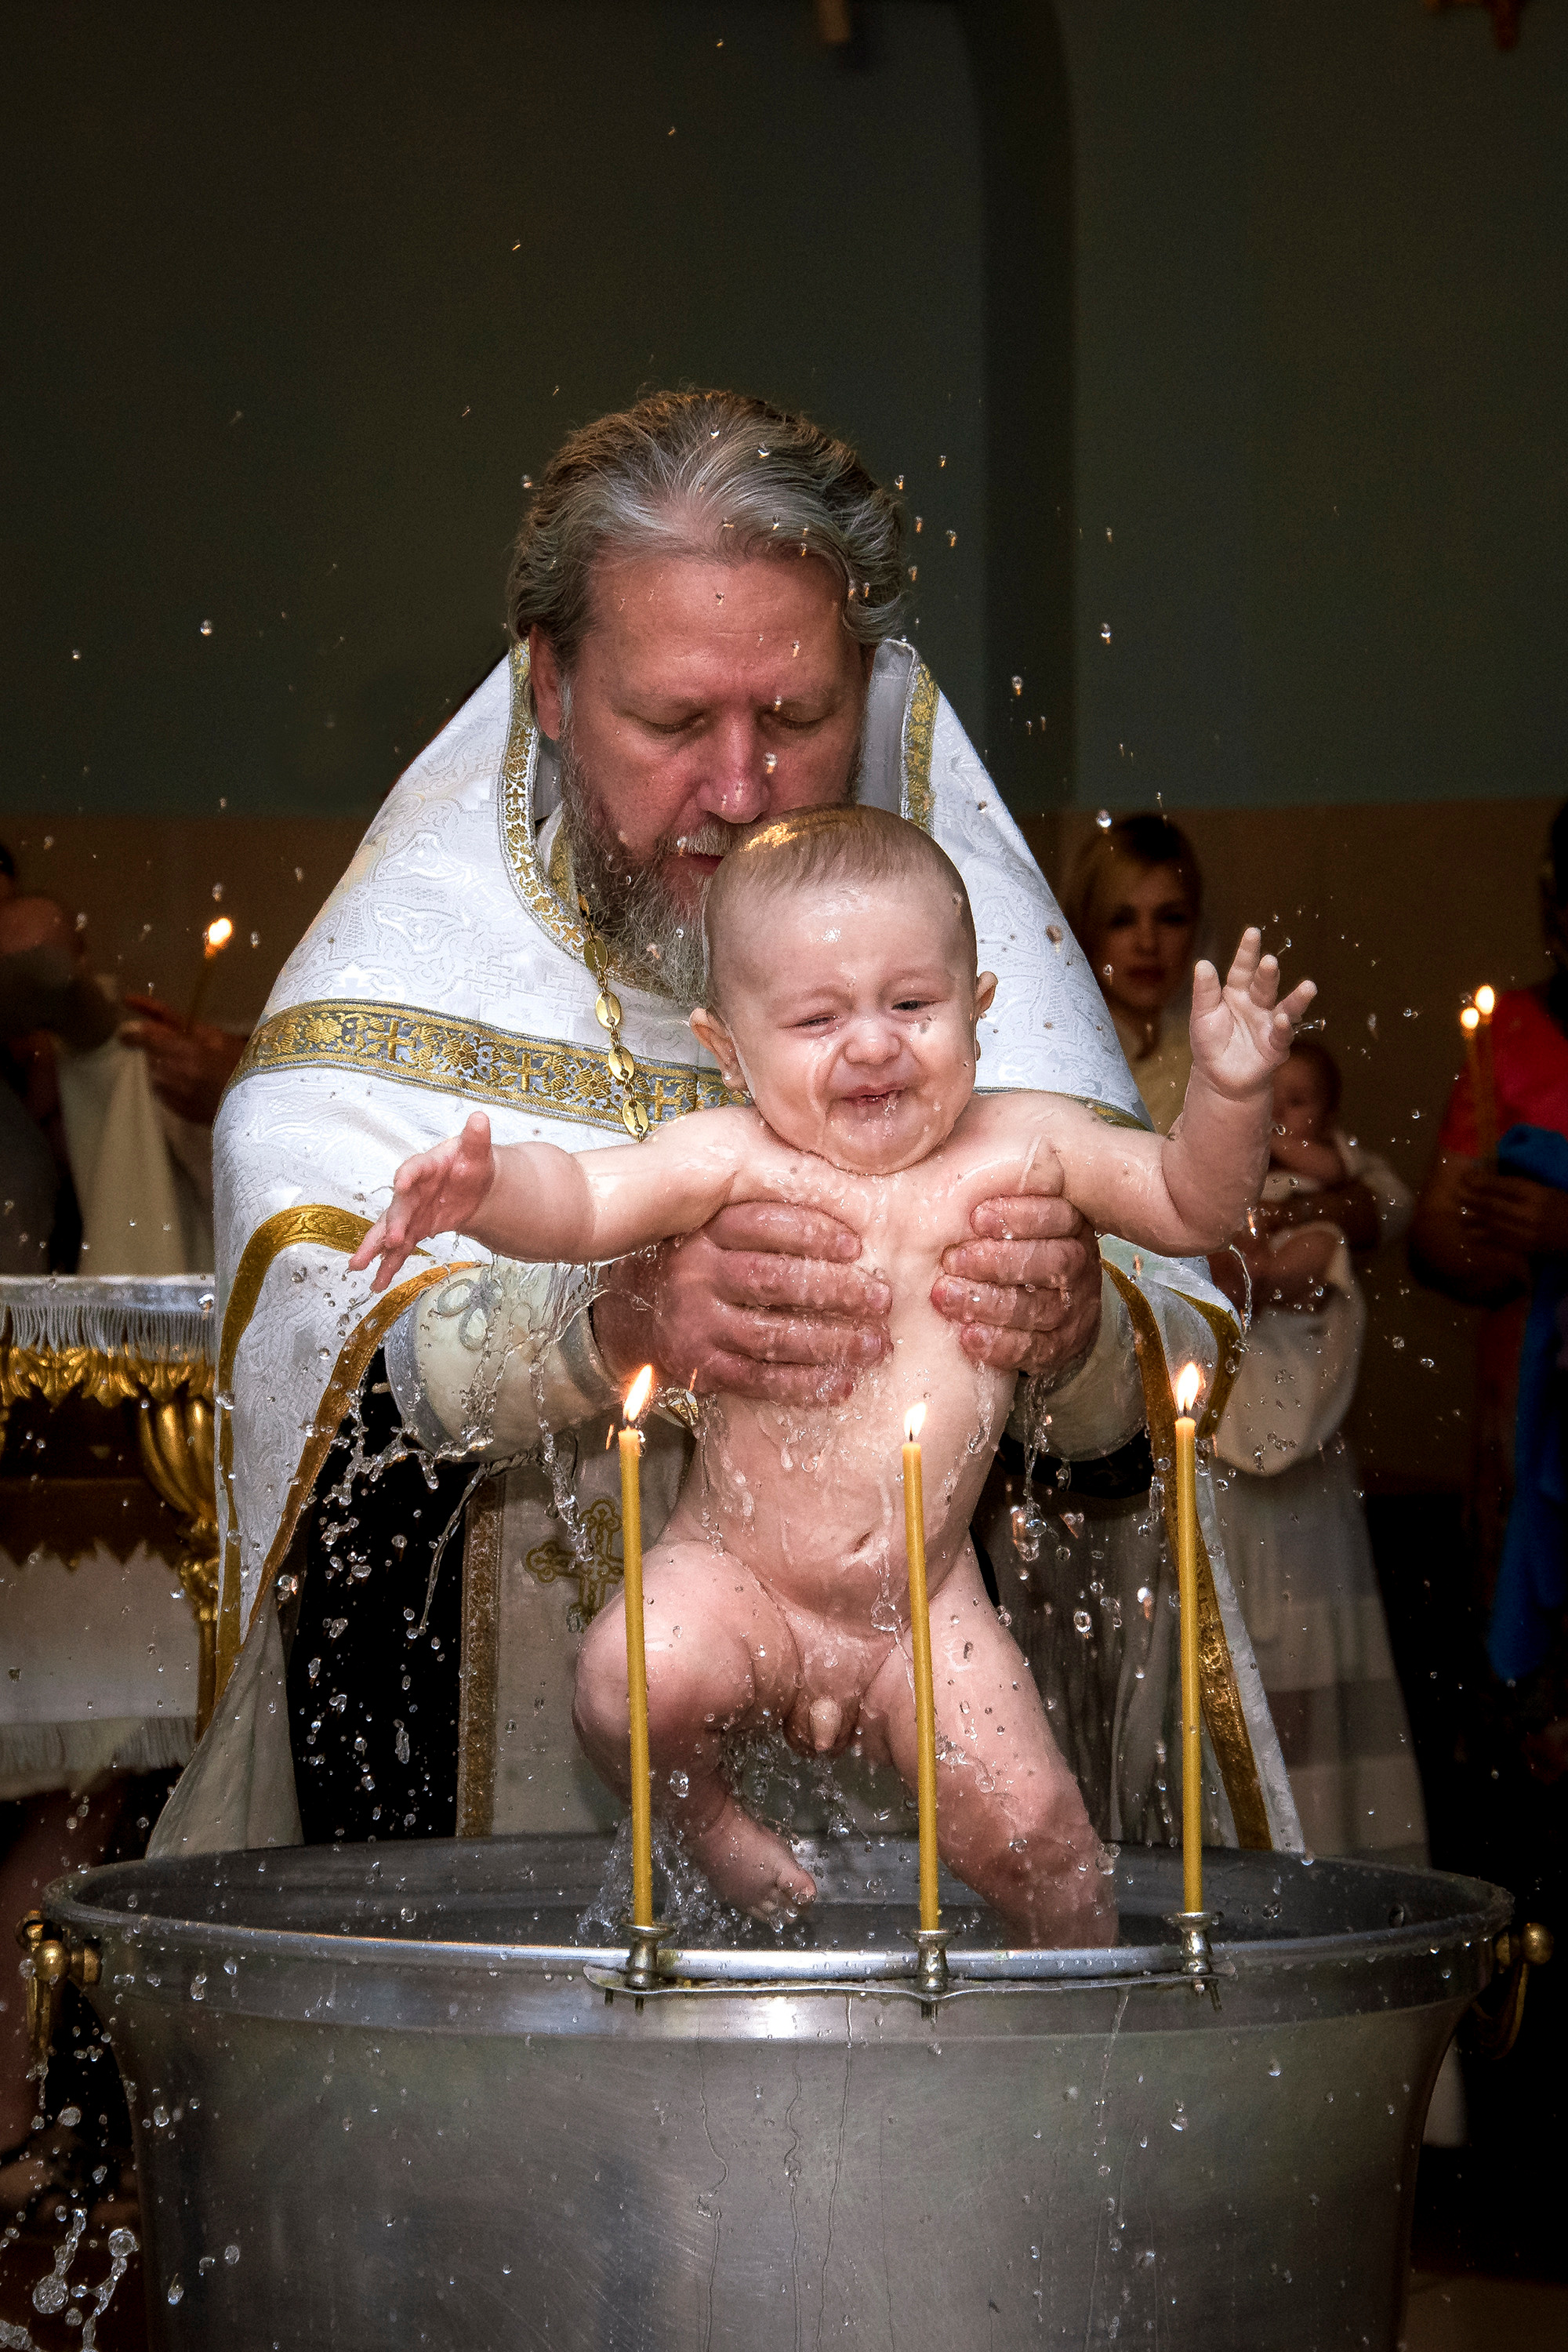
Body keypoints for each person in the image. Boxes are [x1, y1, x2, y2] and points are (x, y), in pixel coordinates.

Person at [152, 390, 1300, 1866]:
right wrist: (601, 1327)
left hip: (907, 1797)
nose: (744, 789)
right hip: (466, 1818)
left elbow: (1160, 1378)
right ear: (552, 686)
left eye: (802, 718)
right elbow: (318, 1361)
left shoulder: (940, 961)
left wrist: (1073, 1329)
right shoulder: (402, 975)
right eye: (675, 721)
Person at [352, 809, 1310, 1933]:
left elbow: (1194, 1203)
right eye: (816, 1017)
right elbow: (582, 1203)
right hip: (738, 1578)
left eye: (913, 1005)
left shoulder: (1030, 1141)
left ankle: (1075, 2039)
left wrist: (1232, 1097)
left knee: (1046, 1837)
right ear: (729, 1048)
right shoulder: (728, 1155)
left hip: (924, 1606)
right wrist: (485, 1187)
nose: (872, 1044)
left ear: (980, 1007)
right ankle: (707, 1825)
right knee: (623, 1680)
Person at [1209, 1037, 1428, 1864]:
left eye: (1297, 1101)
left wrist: (1310, 1200)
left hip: (1307, 1426)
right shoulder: (1225, 1162)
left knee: (1307, 1644)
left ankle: (1332, 1847)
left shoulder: (1328, 1169)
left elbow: (1392, 1204)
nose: (1280, 1117)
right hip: (1221, 1449)